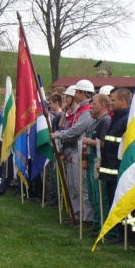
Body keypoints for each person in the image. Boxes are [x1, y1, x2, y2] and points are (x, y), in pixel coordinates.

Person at [51, 80, 95, 227]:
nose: (75, 96)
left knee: (81, 187)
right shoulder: (79, 111)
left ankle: (86, 217)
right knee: (73, 186)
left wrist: (58, 135)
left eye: (77, 92)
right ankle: (77, 214)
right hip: (72, 151)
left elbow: (75, 131)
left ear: (82, 93)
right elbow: (67, 126)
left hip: (79, 151)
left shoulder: (87, 111)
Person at [100, 88, 131, 244]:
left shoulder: (127, 119)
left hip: (119, 168)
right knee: (113, 200)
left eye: (113, 100)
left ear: (122, 101)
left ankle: (128, 234)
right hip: (110, 168)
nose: (110, 103)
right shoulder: (116, 118)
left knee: (123, 202)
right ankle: (120, 231)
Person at [81, 94, 111, 237]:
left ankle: (104, 228)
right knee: (93, 196)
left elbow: (104, 143)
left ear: (103, 105)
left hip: (99, 162)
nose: (90, 107)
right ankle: (97, 223)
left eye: (94, 104)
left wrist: (88, 142)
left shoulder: (105, 121)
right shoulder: (93, 122)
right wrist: (84, 157)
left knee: (101, 196)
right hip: (90, 159)